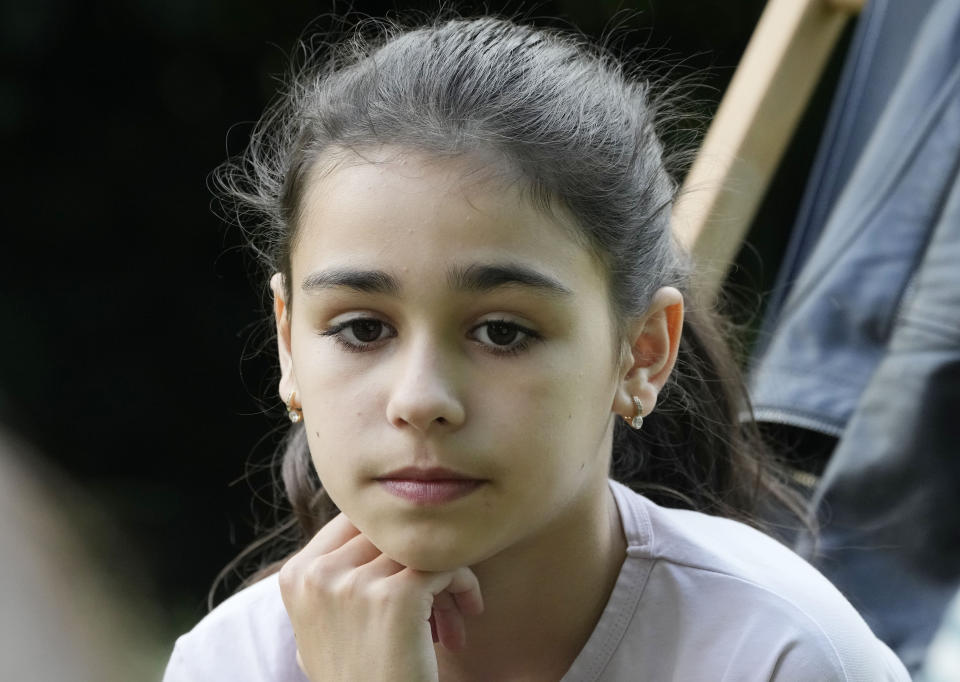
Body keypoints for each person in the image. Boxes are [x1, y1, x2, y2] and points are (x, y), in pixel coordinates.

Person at [163, 15, 910, 681]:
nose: (421, 399)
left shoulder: (783, 654)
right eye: (363, 328)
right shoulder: (232, 662)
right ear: (289, 343)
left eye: (503, 332)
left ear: (642, 353)